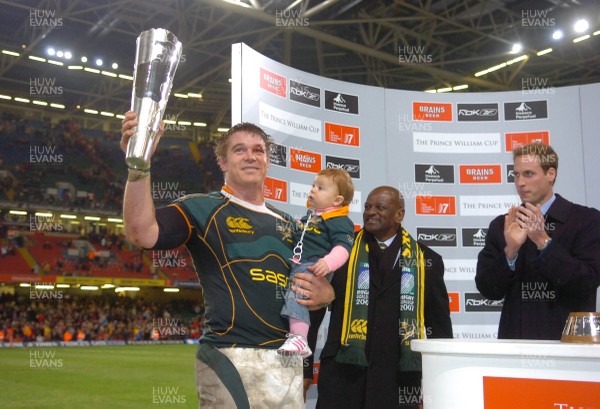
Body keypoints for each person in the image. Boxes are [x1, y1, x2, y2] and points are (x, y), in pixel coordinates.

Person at [120, 113, 335, 408]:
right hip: (228, 356)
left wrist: (327, 294)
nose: (250, 156)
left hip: (286, 362)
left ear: (267, 161)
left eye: (258, 150)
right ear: (222, 162)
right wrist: (139, 167)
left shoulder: (293, 225)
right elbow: (141, 232)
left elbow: (318, 290)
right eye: (239, 149)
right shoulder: (200, 207)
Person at [314, 186, 453, 409]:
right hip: (342, 379)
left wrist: (437, 384)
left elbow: (439, 328)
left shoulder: (427, 261)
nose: (370, 212)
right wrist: (303, 368)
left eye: (380, 207)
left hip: (398, 383)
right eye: (368, 206)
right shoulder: (340, 253)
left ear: (399, 215)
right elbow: (314, 310)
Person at [476, 142, 600, 340]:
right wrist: (510, 252)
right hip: (514, 347)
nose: (520, 183)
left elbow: (587, 281)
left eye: (528, 174)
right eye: (516, 174)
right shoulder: (503, 224)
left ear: (551, 174)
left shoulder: (586, 220)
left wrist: (543, 242)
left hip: (569, 348)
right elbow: (488, 289)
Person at [278, 168, 355, 358]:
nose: (313, 190)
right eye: (313, 185)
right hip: (300, 263)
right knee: (295, 293)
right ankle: (297, 337)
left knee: (298, 292)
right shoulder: (311, 217)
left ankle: (299, 338)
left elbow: (343, 248)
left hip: (314, 266)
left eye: (320, 188)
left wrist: (328, 263)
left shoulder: (339, 220)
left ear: (337, 201)